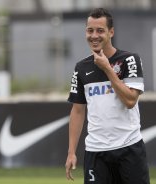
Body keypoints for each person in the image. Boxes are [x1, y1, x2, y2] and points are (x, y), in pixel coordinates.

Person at [65, 8, 150, 184]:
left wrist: (107, 69)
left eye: (100, 30)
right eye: (90, 30)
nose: (94, 35)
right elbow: (78, 110)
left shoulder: (130, 60)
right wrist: (71, 152)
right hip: (96, 152)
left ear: (111, 32)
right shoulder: (81, 68)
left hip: (129, 148)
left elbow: (130, 100)